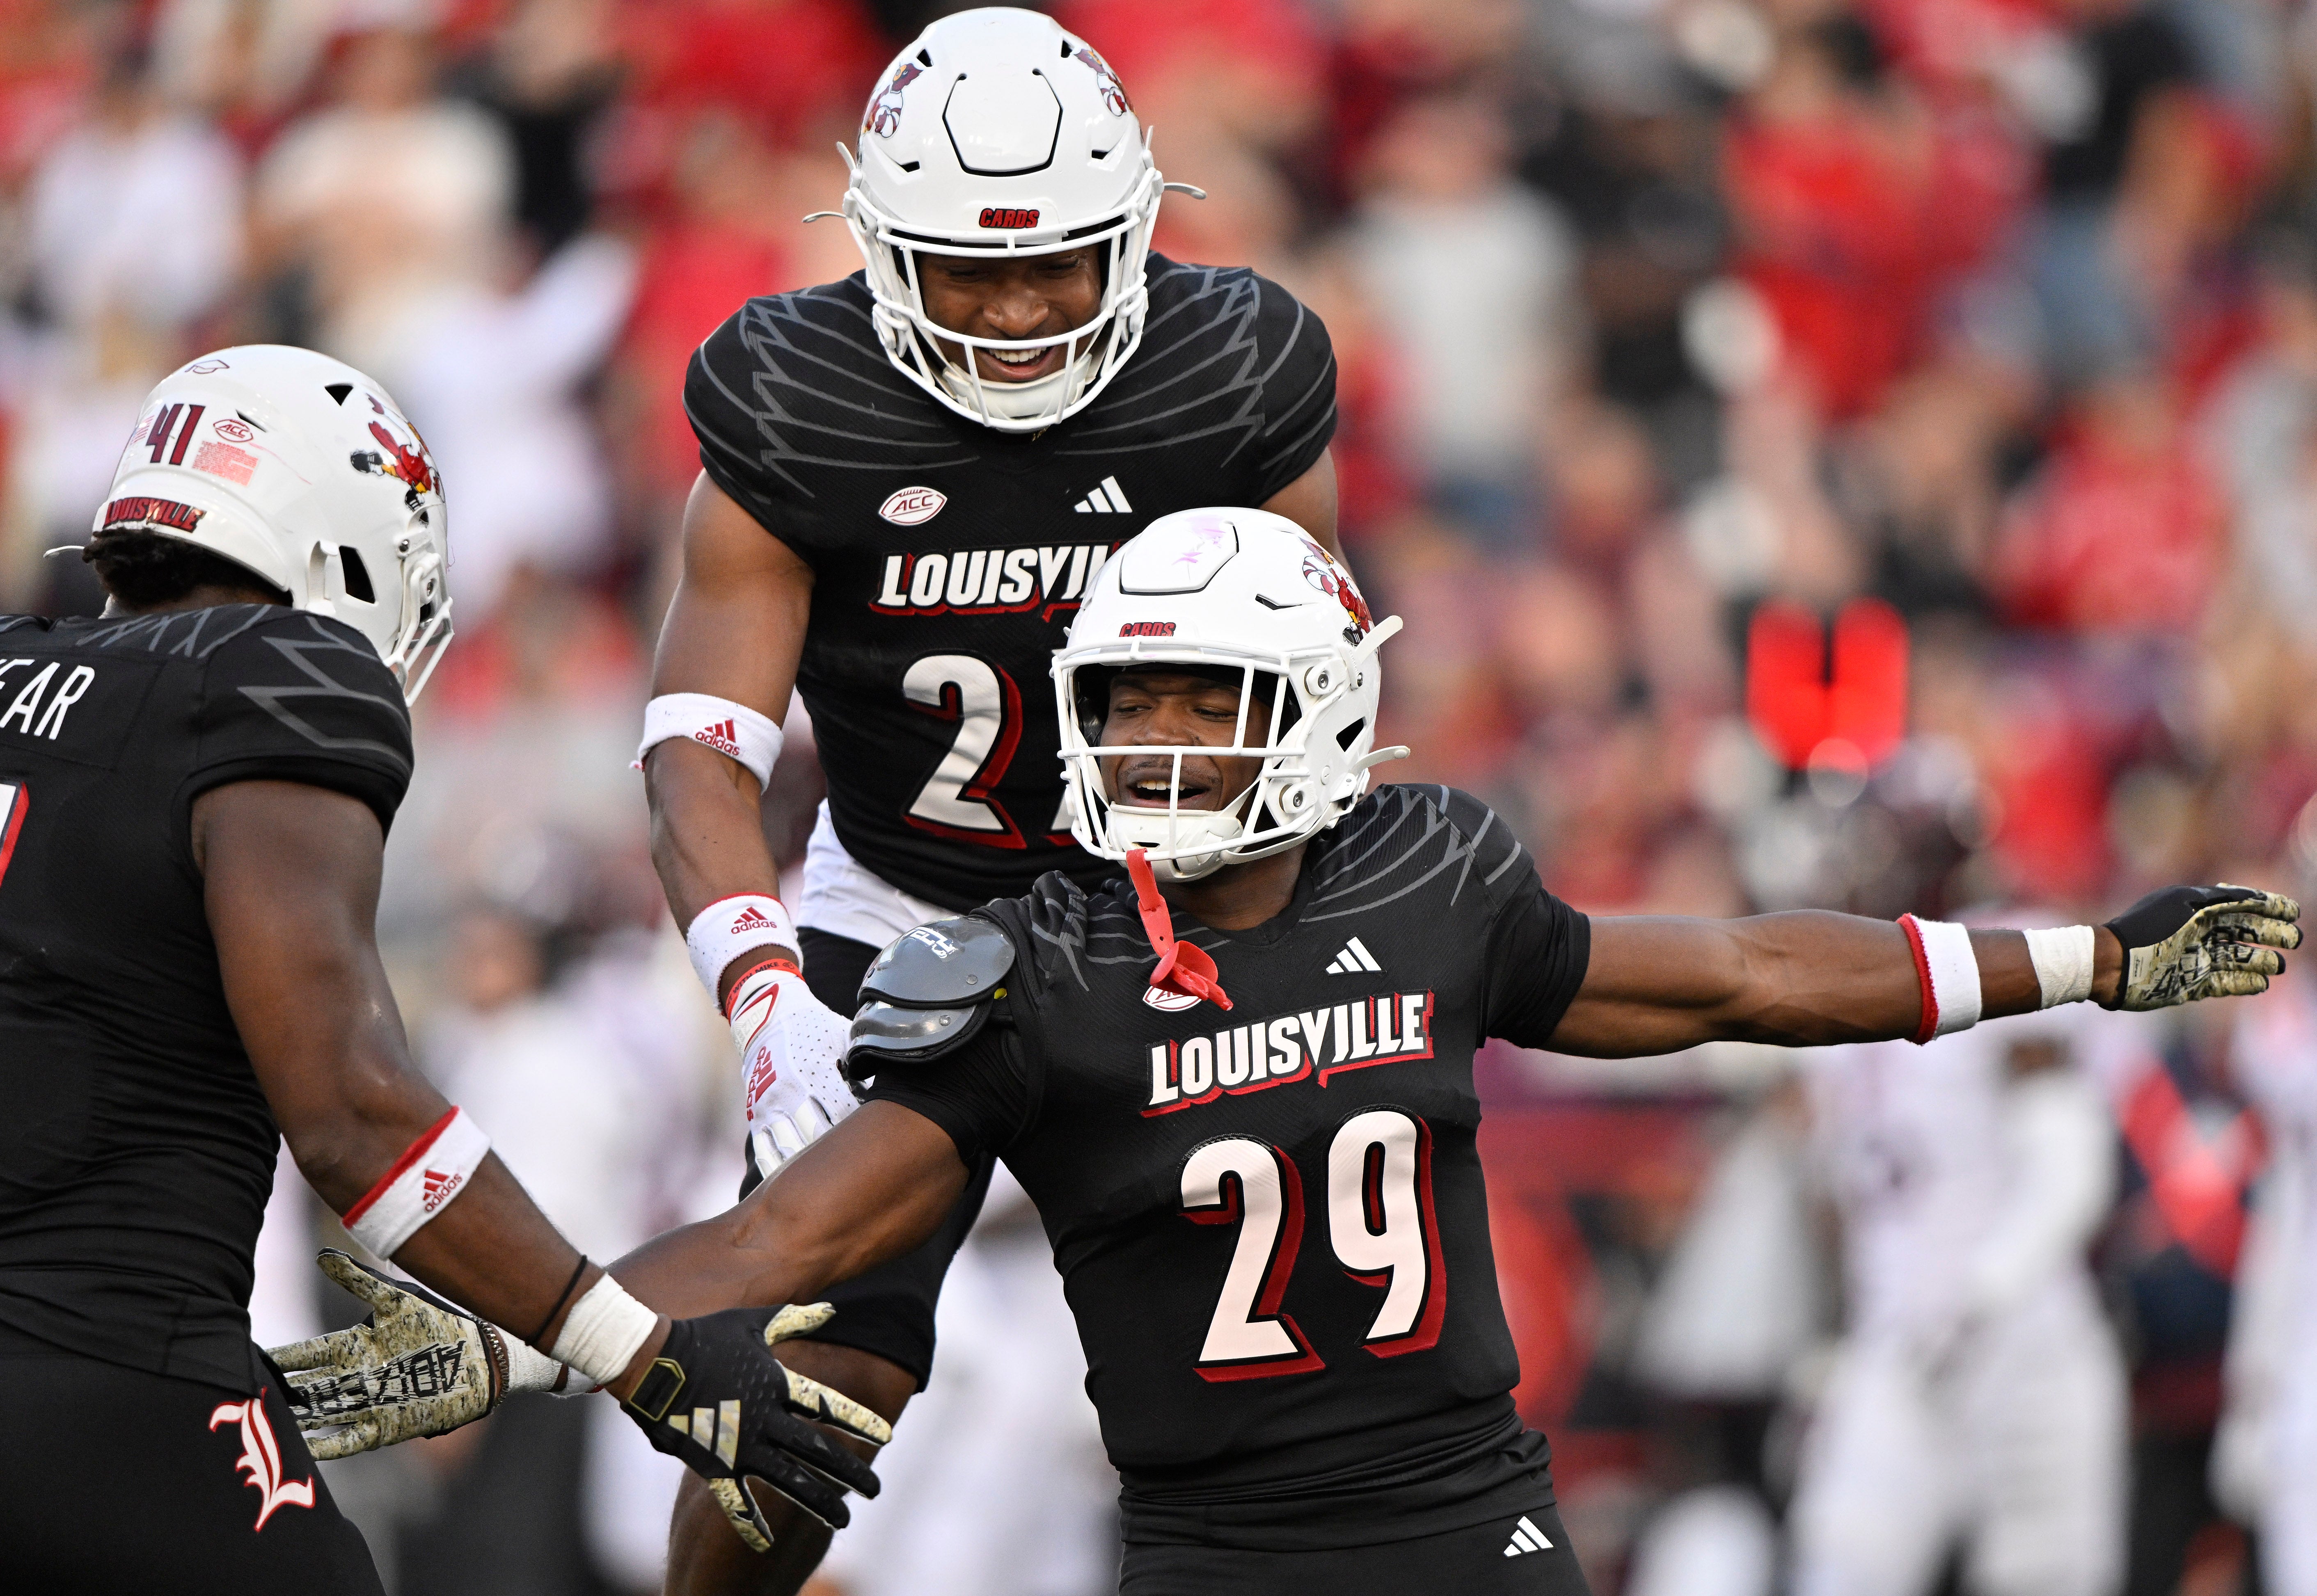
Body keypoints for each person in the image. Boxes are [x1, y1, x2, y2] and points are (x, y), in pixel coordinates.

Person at [291, 510, 2299, 1594]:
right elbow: (792, 1228)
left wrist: (2088, 956)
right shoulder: (1035, 967)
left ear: (1324, 708)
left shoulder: (1433, 881)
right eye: (1131, 699)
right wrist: (498, 1334)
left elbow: (1748, 970)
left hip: (1466, 1526)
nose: (1155, 741)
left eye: (1206, 698)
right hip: (1211, 1557)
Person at [637, 7, 1339, 1584]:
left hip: (1168, 910)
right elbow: (696, 748)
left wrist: (1286, 945)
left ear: (1136, 238)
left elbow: (1317, 684)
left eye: (1055, 264)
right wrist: (763, 1001)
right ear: (882, 248)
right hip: (904, 907)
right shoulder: (792, 397)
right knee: (812, 1377)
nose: (1017, 310)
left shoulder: (1228, 369)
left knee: (1284, 1372)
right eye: (970, 268)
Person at [0, 345, 886, 1590]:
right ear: (345, 540)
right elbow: (353, 1114)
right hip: (108, 1381)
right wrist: (645, 1355)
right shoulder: (269, 679)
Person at [1790, 998, 2131, 1596]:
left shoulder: (1985, 969)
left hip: (2025, 1344)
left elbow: (2071, 1170)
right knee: (1845, 1555)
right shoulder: (1824, 1003)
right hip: (1898, 1343)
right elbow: (1839, 1199)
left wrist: (1983, 1294)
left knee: (2041, 1573)